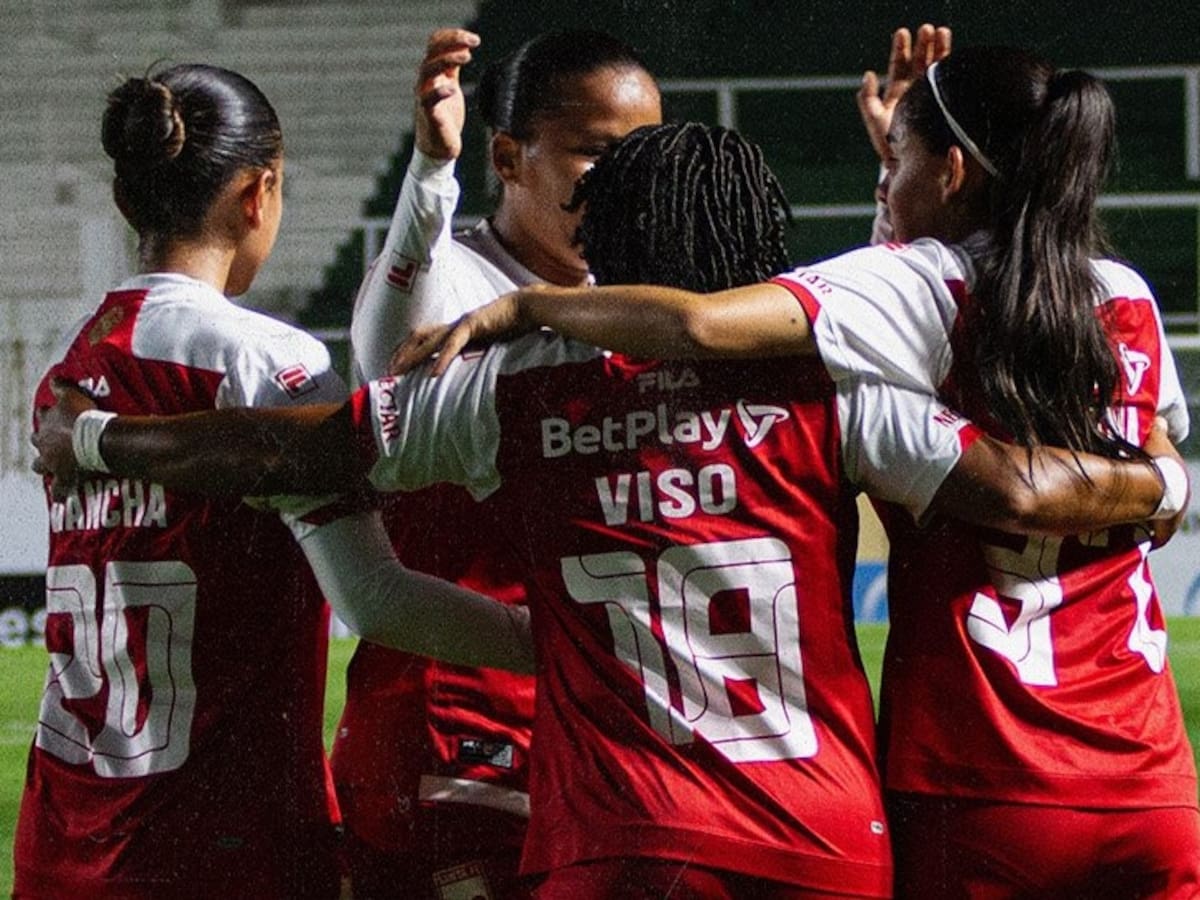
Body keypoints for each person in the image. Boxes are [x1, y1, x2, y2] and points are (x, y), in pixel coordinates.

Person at [34, 121, 1189, 899]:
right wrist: (1159, 482)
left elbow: (308, 447)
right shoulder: (829, 388)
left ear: (603, 250)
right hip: (820, 842)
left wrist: (105, 440)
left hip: (612, 846)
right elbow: (1013, 485)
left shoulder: (520, 382)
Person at [395, 40, 1200, 898]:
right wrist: (1169, 485)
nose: (886, 180)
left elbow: (708, 325)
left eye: (899, 161)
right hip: (1150, 779)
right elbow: (1152, 457)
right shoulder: (1123, 294)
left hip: (984, 773)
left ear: (955, 172)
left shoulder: (913, 284)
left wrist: (528, 305)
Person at [337, 27, 662, 899]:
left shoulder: (639, 299)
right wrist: (428, 177)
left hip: (587, 716)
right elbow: (377, 367)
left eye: (645, 154)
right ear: (511, 157)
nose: (626, 180)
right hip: (454, 710)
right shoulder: (454, 280)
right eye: (598, 153)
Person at [13, 64, 351, 899]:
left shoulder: (68, 362)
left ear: (129, 200)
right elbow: (373, 594)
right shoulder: (270, 358)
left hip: (63, 843)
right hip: (222, 846)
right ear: (258, 193)